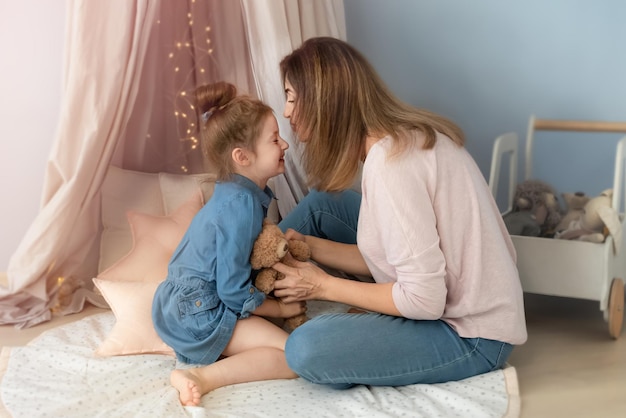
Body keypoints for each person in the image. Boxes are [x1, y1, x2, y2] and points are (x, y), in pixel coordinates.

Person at [271, 37, 528, 389]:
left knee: (305, 348)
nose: (286, 112)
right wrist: (310, 248)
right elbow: (395, 256)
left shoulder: (391, 166)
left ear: (323, 102)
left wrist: (323, 285)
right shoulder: (398, 139)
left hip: (472, 335)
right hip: (448, 287)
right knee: (323, 204)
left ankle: (241, 307)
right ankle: (245, 294)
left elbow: (424, 299)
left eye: (291, 97)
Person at [151, 81, 305, 406]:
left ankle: (208, 360)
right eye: (274, 139)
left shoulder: (236, 193)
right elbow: (233, 290)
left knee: (281, 344)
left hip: (176, 306)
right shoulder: (241, 206)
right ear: (243, 156)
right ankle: (199, 377)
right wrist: (279, 308)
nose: (285, 145)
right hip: (197, 312)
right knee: (295, 356)